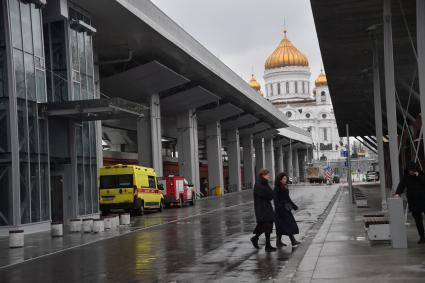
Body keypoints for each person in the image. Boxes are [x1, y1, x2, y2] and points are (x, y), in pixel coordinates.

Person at [395, 161, 425, 244]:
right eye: (409, 170)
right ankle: (422, 236)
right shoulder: (406, 177)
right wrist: (397, 193)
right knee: (418, 220)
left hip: (423, 200)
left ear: (415, 169)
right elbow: (401, 185)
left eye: (412, 170)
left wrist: (418, 176)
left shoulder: (421, 174)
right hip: (413, 202)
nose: (410, 172)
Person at [250, 168, 276, 252]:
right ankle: (258, 240)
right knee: (264, 226)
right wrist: (270, 194)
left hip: (266, 207)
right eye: (267, 174)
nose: (269, 176)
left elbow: (271, 195)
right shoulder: (258, 184)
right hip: (261, 209)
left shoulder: (264, 183)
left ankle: (264, 243)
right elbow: (268, 195)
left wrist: (270, 194)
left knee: (267, 226)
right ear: (263, 175)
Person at [273, 172, 301, 247]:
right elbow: (275, 201)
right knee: (288, 225)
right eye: (284, 178)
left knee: (281, 227)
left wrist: (294, 206)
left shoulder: (284, 187)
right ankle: (293, 241)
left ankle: (278, 242)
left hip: (285, 209)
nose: (286, 180)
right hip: (280, 211)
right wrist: (281, 208)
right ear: (280, 180)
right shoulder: (277, 188)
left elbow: (288, 199)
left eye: (286, 178)